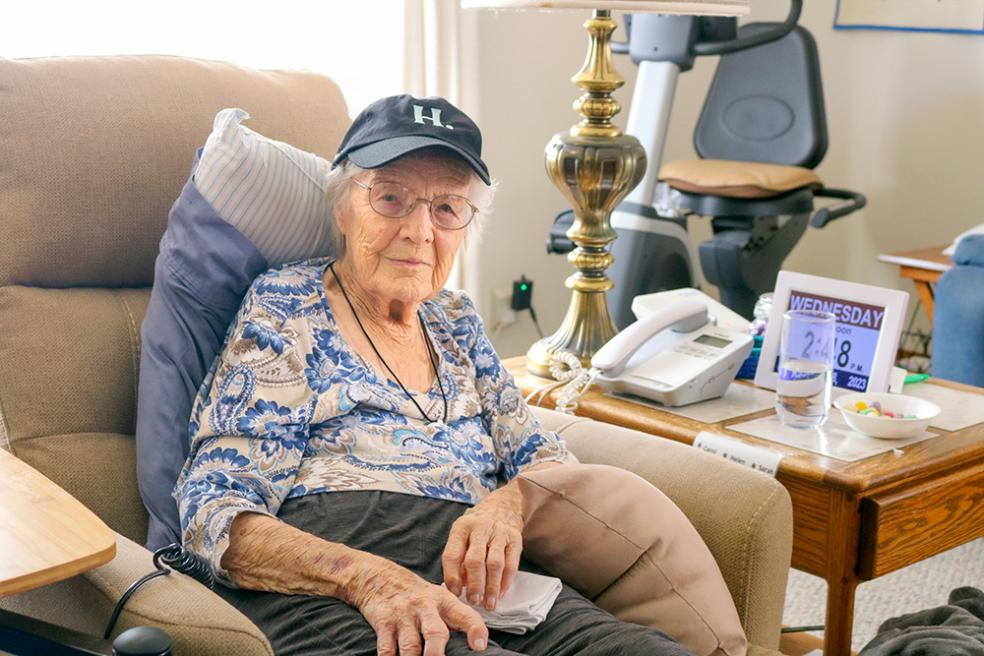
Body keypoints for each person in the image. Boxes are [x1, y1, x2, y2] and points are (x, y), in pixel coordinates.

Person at [174, 94, 693, 656]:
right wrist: (367, 578)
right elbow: (215, 508)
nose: (421, 230)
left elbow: (544, 459)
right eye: (392, 198)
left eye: (447, 208)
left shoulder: (457, 319)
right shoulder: (286, 306)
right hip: (336, 578)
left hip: (485, 578)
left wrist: (509, 504)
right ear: (343, 208)